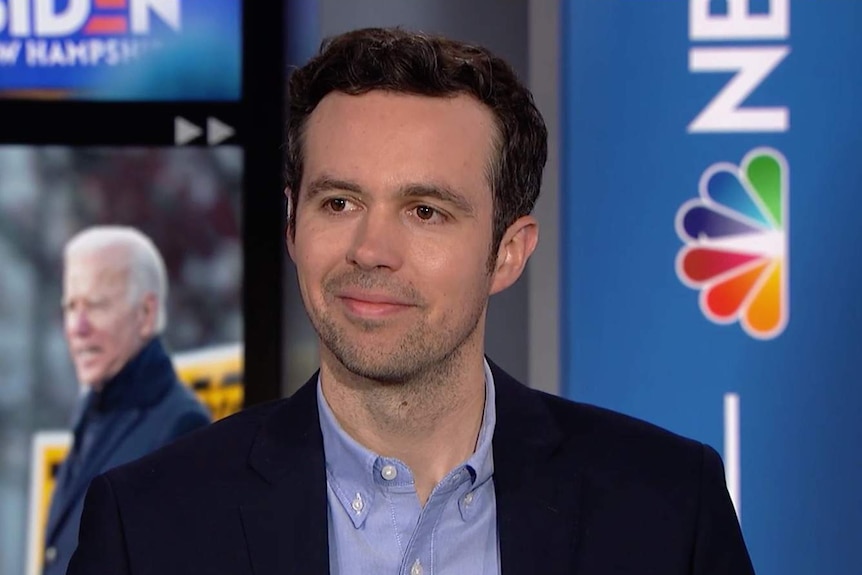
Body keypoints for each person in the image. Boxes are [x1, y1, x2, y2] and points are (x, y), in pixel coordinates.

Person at [68, 28, 755, 574]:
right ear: (291, 225)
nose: (371, 249)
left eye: (425, 211)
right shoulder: (149, 523)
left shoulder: (666, 509)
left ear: (508, 251)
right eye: (339, 201)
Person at [44, 226, 210, 575]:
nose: (78, 326)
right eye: (71, 306)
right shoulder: (92, 409)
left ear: (146, 314)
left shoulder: (180, 425)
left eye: (97, 305)